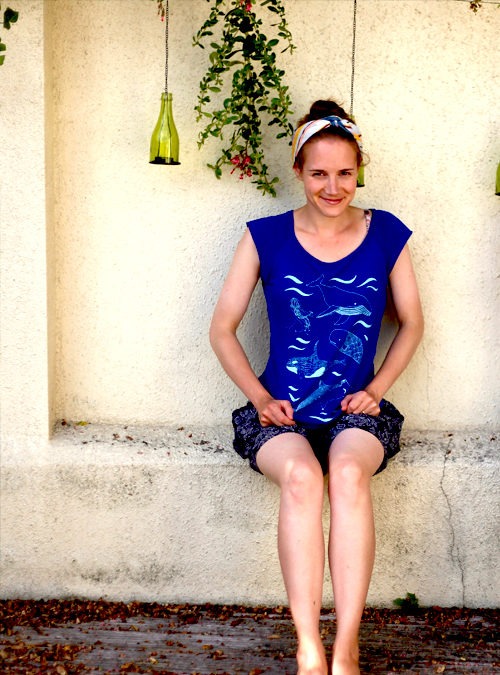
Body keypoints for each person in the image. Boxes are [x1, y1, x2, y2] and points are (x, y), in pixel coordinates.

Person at [209, 99, 424, 675]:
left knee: (348, 472)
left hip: (358, 413)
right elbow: (222, 329)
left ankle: (347, 645)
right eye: (320, 173)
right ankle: (309, 647)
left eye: (345, 173)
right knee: (304, 478)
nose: (334, 186)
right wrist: (258, 397)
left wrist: (377, 388)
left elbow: (413, 323)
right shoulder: (265, 237)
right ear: (300, 171)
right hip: (282, 411)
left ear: (360, 171)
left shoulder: (387, 235)